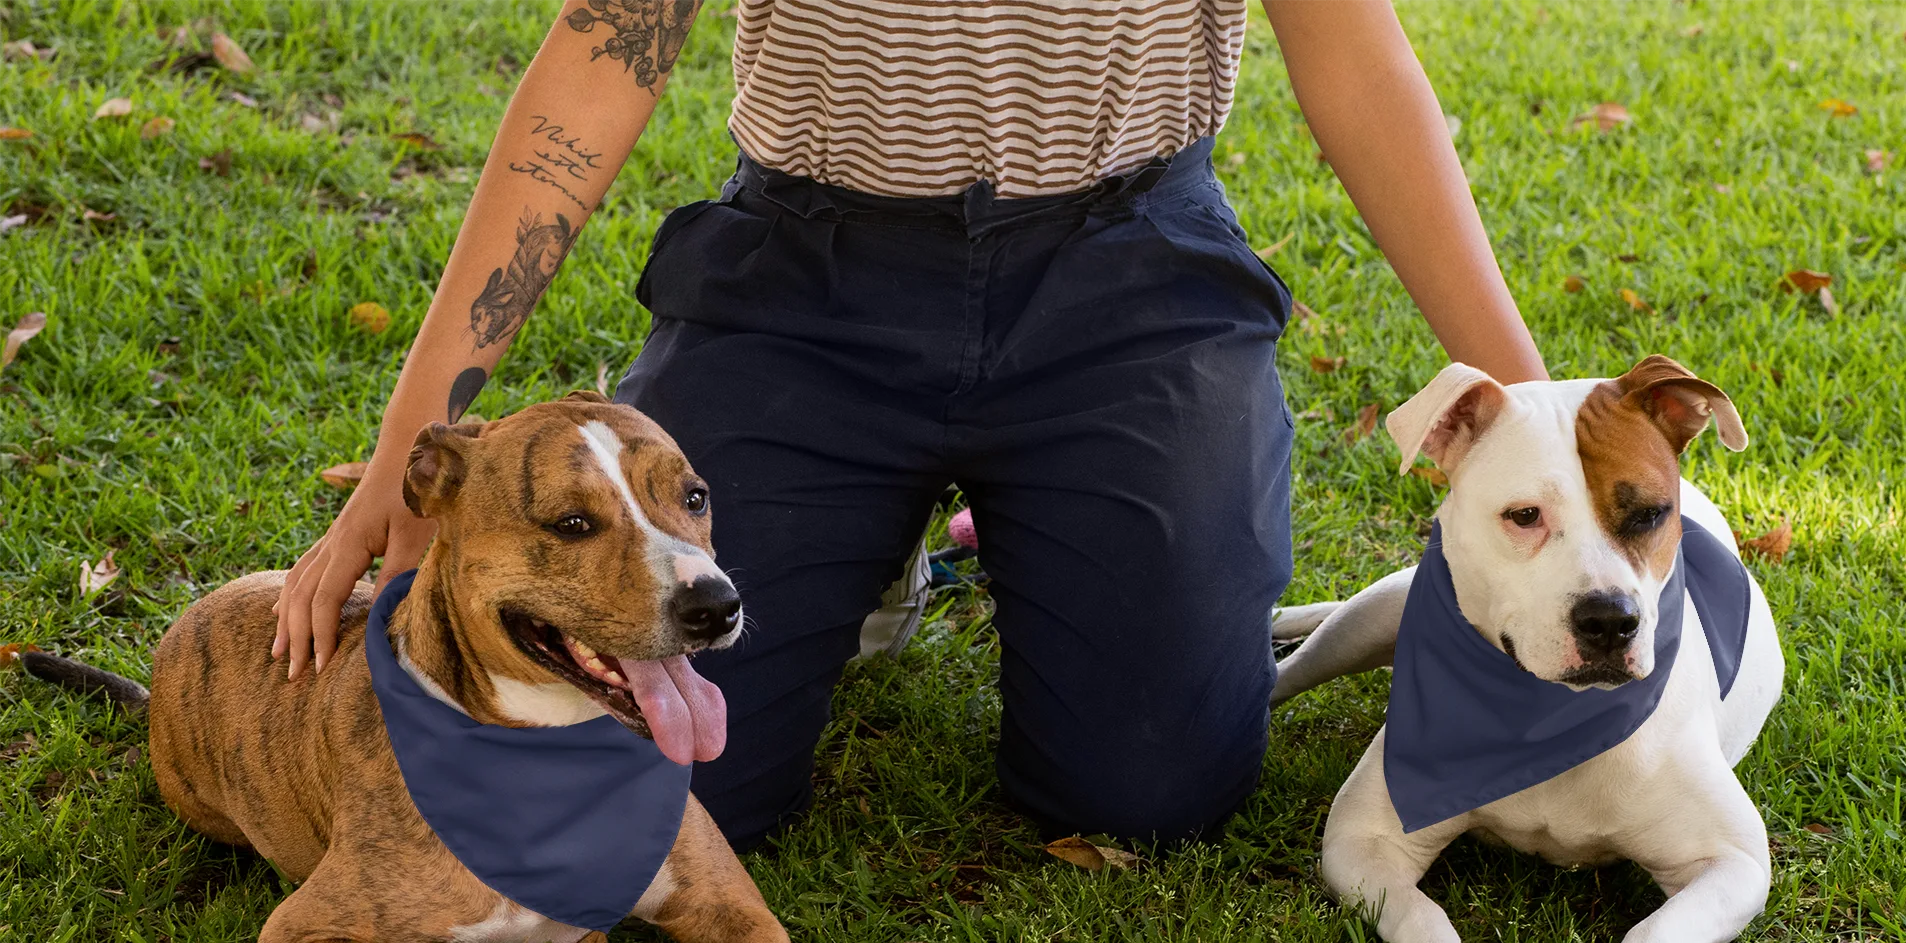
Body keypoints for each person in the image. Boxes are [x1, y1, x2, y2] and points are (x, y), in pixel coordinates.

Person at [275, 0, 1548, 850]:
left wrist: (1538, 416)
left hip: (1128, 278)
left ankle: (1018, 517)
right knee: (662, 785)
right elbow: (605, 55)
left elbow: (1355, 56)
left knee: (1150, 794)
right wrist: (410, 446)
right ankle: (876, 538)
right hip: (809, 279)